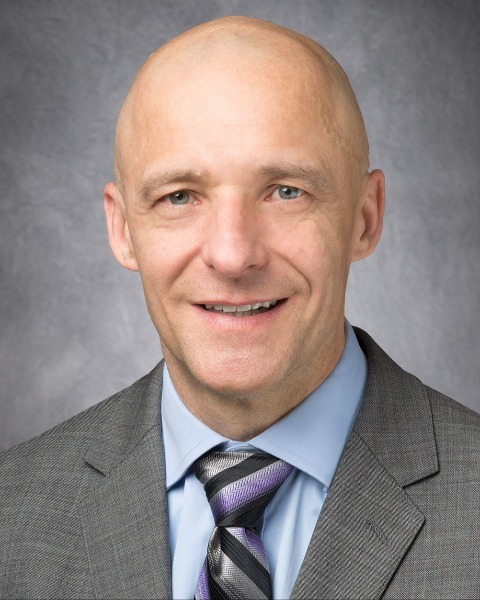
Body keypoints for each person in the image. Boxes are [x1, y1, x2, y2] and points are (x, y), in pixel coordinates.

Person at [1, 15, 479, 600]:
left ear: (365, 217)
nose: (232, 256)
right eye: (179, 196)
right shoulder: (13, 515)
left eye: (286, 191)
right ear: (123, 229)